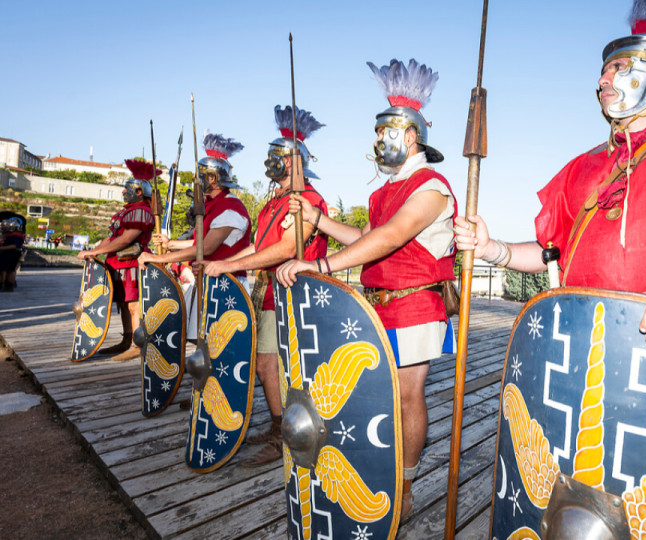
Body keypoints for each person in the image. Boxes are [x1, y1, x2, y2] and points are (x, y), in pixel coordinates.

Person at [455, 0, 646, 346]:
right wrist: (493, 249)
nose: (603, 80)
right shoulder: (580, 168)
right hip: (578, 340)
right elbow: (551, 251)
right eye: (603, 71)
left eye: (618, 67)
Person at [275, 58, 457, 520]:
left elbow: (392, 237)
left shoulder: (432, 186)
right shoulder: (383, 192)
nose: (377, 141)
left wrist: (319, 262)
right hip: (379, 306)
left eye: (384, 132)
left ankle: (406, 481)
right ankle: (381, 466)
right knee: (377, 394)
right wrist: (320, 222)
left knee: (406, 394)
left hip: (416, 303)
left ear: (409, 135)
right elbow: (367, 239)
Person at [203, 105, 329, 466]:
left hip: (294, 294)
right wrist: (228, 264)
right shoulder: (272, 202)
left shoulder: (309, 201)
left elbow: (288, 248)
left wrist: (230, 263)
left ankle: (286, 433)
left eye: (281, 157)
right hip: (268, 292)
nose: (274, 162)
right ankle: (279, 424)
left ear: (297, 162)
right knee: (266, 365)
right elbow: (259, 246)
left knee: (277, 366)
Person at [138, 132, 251, 341]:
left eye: (201, 175)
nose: (196, 179)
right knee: (199, 343)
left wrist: (158, 258)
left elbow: (206, 248)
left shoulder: (231, 209)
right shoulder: (212, 206)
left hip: (227, 285)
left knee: (218, 347)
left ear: (213, 178)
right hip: (209, 281)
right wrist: (170, 244)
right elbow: (200, 242)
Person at [78, 159, 159, 360]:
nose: (124, 192)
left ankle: (137, 345)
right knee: (122, 304)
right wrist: (94, 251)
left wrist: (96, 252)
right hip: (117, 263)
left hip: (132, 262)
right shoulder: (127, 211)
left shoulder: (141, 210)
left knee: (133, 305)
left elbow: (127, 239)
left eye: (127, 188)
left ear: (139, 191)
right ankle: (126, 340)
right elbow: (112, 237)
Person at [0, 216, 26, 292]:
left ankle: (9, 286)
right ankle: (3, 285)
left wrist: (1, 248)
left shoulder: (17, 235)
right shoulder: (8, 235)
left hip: (12, 254)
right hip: (6, 254)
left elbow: (15, 246)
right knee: (4, 270)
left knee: (11, 270)